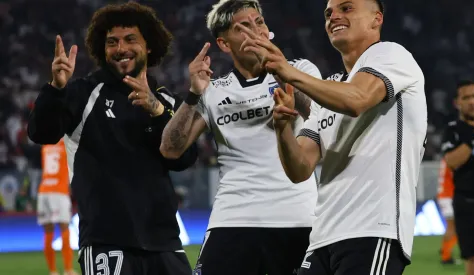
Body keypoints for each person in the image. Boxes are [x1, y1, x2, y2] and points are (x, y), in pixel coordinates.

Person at [238, 0, 427, 273]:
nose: (333, 16)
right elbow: (300, 168)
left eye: (346, 8)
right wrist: (282, 129)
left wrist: (287, 72)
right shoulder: (329, 88)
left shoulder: (391, 55)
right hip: (323, 236)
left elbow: (358, 99)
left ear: (376, 19)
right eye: (329, 13)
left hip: (373, 229)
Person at [27, 2, 197, 275]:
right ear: (102, 49)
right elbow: (41, 133)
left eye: (131, 39)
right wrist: (56, 89)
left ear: (149, 45)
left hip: (164, 242)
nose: (121, 49)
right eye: (112, 42)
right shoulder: (84, 93)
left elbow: (185, 158)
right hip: (106, 243)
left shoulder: (166, 101)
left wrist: (156, 111)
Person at [160, 0, 320, 274]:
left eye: (259, 22)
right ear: (224, 44)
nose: (256, 30)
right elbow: (170, 149)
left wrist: (277, 68)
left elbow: (314, 111)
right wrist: (193, 94)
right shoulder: (214, 91)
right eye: (243, 26)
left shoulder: (300, 69)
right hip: (233, 218)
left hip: (297, 218)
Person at [441, 80, 474, 275]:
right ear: (457, 103)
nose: (472, 102)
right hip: (469, 206)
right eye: (466, 97)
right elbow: (452, 161)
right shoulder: (453, 131)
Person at [37, 139, 77, 275]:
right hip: (59, 191)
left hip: (44, 190)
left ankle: (52, 271)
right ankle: (68, 269)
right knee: (65, 227)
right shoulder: (66, 144)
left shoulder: (45, 144)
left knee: (48, 231)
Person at [436, 159, 458, 265]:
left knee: (452, 227)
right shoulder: (452, 159)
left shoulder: (446, 159)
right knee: (452, 227)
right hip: (448, 196)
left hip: (445, 196)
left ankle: (445, 249)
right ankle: (446, 256)